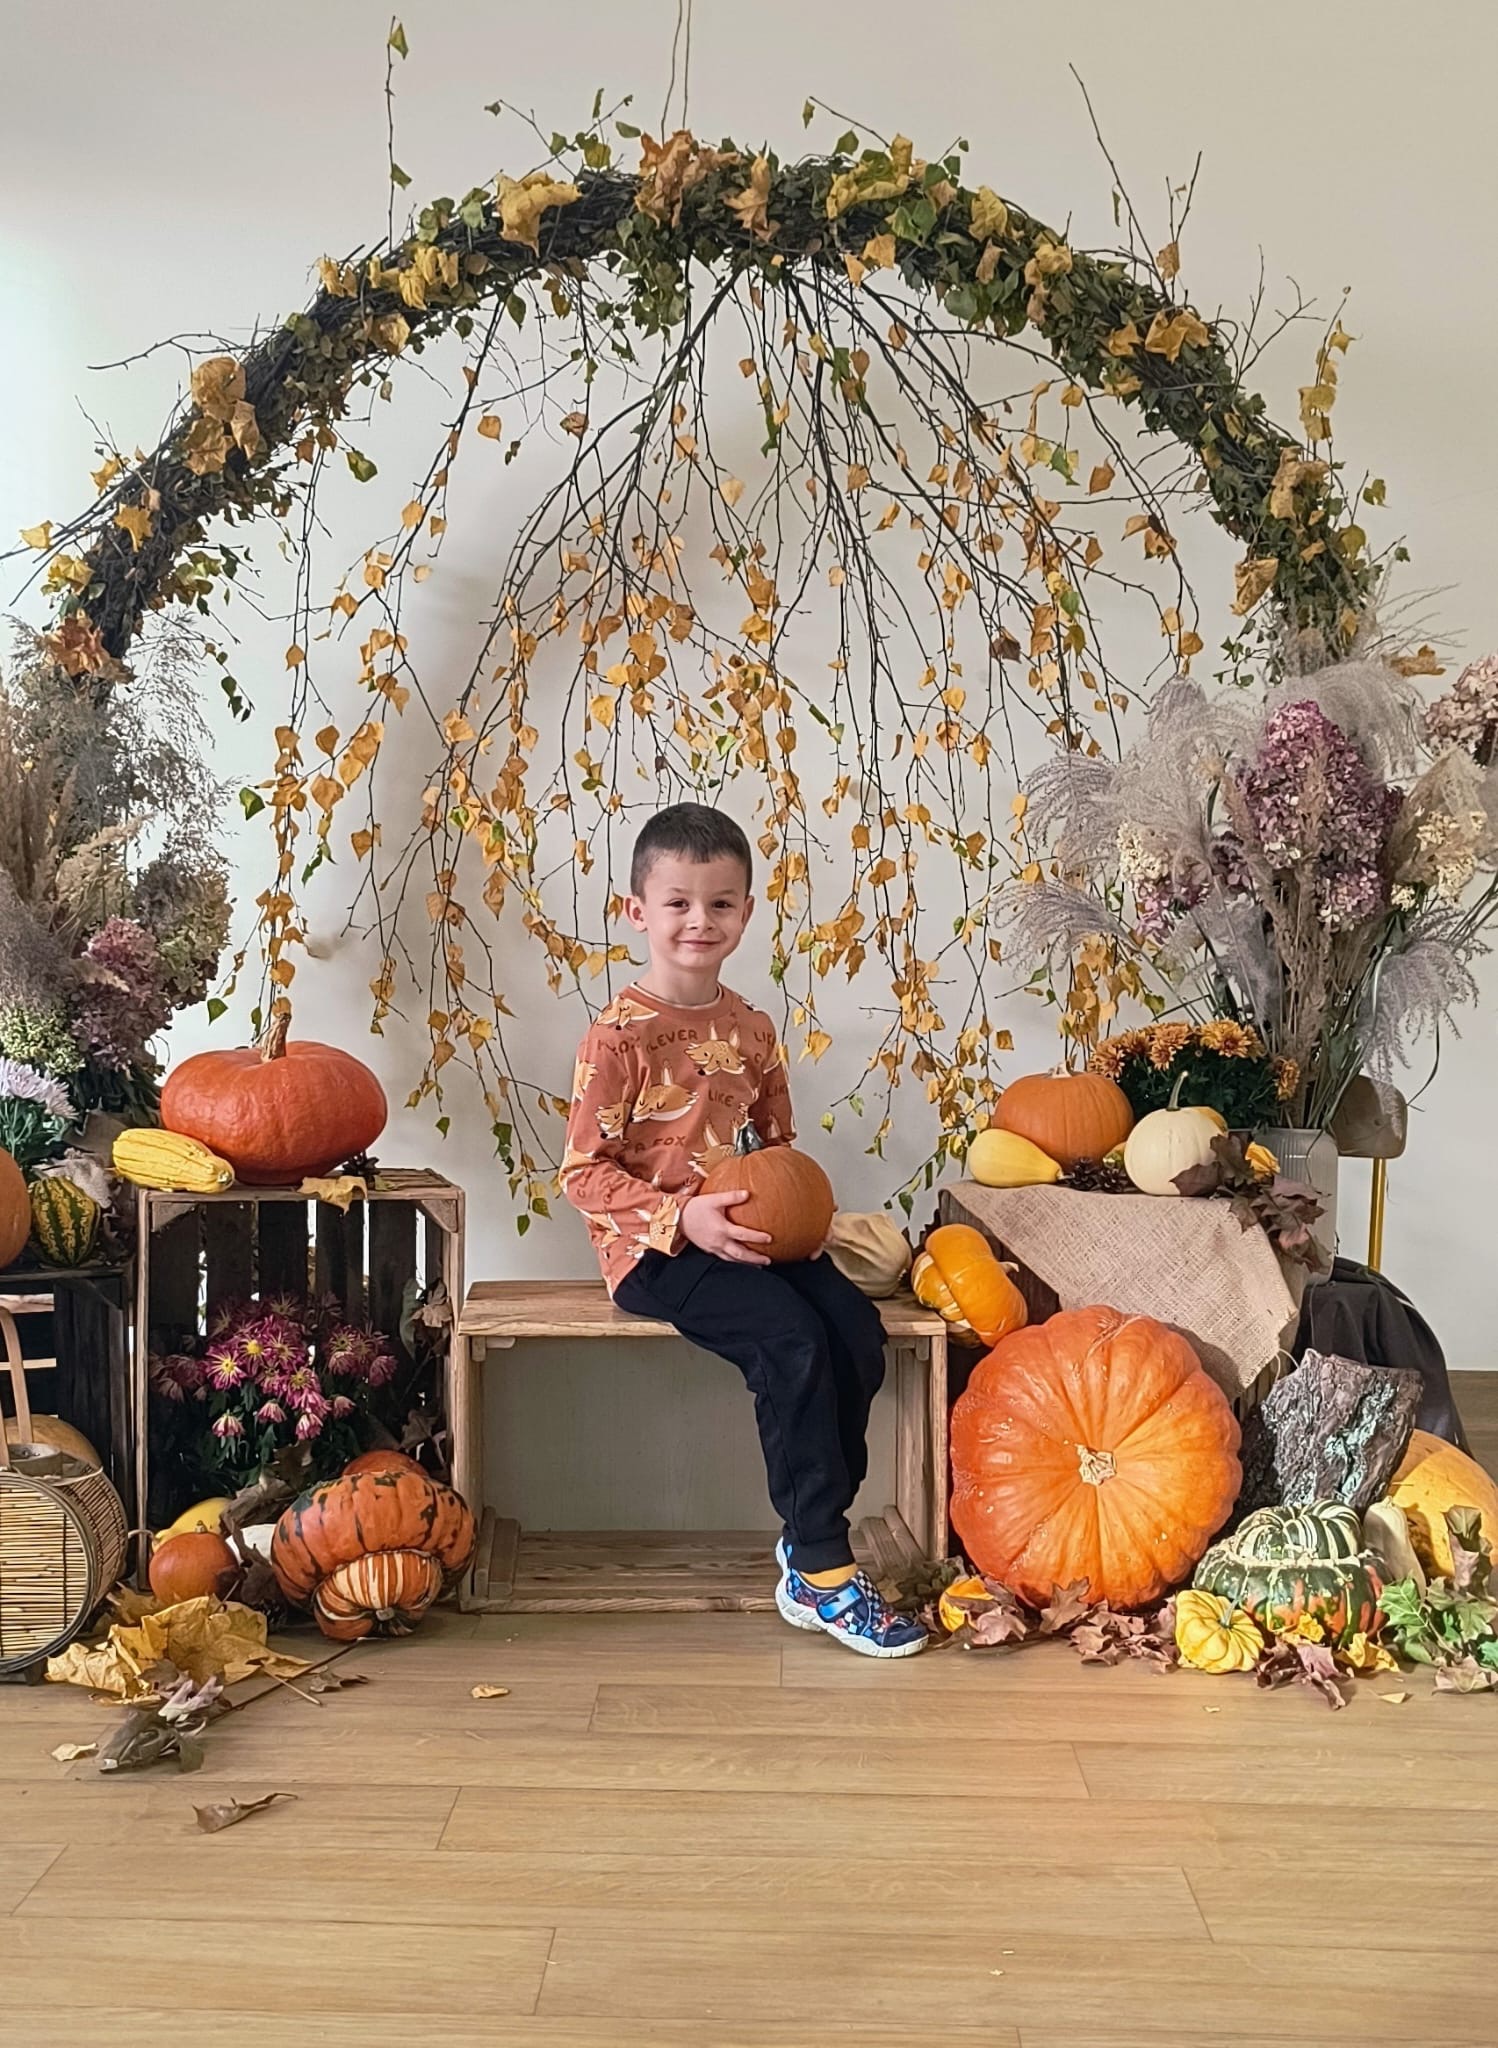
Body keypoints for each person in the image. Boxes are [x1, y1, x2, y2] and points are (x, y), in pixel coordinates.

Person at [560, 802, 927, 1657]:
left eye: (720, 903)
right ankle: (825, 1568)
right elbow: (581, 1174)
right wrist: (682, 1215)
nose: (700, 920)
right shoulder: (617, 1038)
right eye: (678, 902)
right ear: (637, 912)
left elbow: (775, 1144)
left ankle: (809, 1533)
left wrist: (797, 1213)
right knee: (789, 1341)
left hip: (753, 1236)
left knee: (855, 1332)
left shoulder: (752, 1029)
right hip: (657, 1251)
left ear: (747, 913)